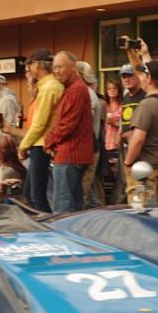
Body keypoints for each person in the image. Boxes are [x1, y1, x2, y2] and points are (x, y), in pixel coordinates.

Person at [44, 51, 94, 213]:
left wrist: (49, 141)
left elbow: (66, 124)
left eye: (60, 67)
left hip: (70, 155)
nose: (57, 71)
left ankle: (63, 237)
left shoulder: (76, 90)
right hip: (73, 155)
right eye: (54, 68)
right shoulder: (73, 88)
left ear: (73, 67)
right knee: (74, 206)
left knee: (62, 207)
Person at [121, 60, 158, 206]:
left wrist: (128, 163)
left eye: (143, 75)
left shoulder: (146, 105)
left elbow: (138, 139)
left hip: (146, 169)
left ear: (149, 79)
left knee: (141, 215)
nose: (140, 77)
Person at [18, 48, 64, 212]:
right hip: (41, 143)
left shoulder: (49, 88)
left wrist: (23, 146)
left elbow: (40, 123)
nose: (28, 69)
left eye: (30, 64)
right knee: (31, 194)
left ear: (38, 65)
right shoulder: (48, 86)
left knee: (36, 195)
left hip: (41, 144)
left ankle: (46, 226)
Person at [75, 61, 105, 208]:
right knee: (89, 190)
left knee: (82, 191)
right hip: (89, 147)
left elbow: (85, 124)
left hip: (87, 148)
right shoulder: (87, 92)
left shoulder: (87, 93)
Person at [117, 64, 146, 203]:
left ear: (138, 77)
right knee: (127, 189)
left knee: (138, 192)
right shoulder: (126, 97)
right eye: (124, 76)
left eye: (129, 75)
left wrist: (130, 135)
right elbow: (124, 121)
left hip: (140, 152)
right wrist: (119, 134)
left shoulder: (144, 97)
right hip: (125, 150)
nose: (126, 79)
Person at [104, 78, 123, 202]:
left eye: (114, 88)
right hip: (105, 143)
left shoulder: (122, 106)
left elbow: (124, 124)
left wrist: (114, 122)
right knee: (106, 176)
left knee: (117, 176)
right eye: (109, 89)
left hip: (116, 144)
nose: (112, 91)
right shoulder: (104, 106)